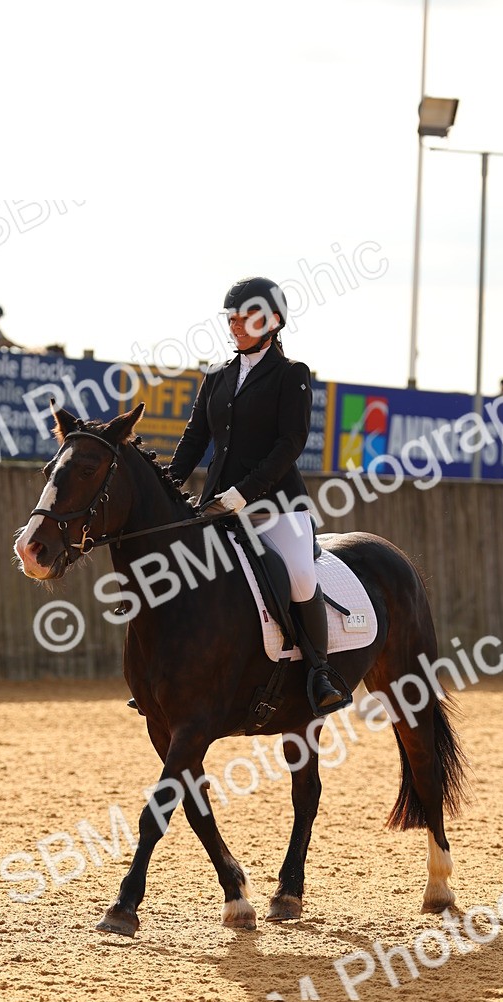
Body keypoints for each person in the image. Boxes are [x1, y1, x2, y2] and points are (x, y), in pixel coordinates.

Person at [162, 275, 348, 714]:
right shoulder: (217, 377)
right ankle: (168, 668)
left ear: (274, 320)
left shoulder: (291, 375)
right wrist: (168, 488)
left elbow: (291, 443)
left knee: (300, 575)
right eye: (232, 318)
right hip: (218, 507)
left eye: (247, 317)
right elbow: (194, 439)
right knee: (180, 569)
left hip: (277, 504)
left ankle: (320, 671)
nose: (236, 325)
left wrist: (245, 493)